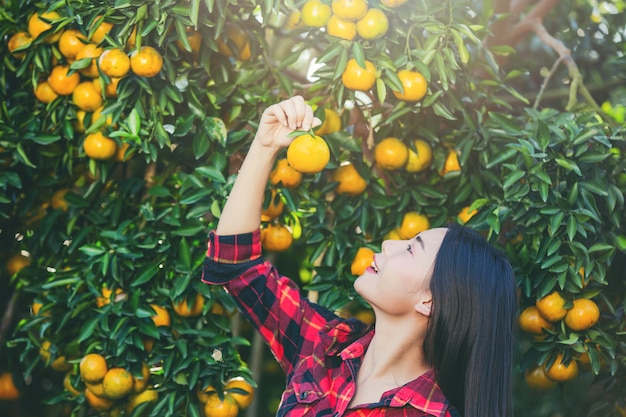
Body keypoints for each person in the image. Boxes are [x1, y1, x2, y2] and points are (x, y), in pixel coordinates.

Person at [202, 96, 518, 417]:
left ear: (430, 301)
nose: (387, 245)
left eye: (410, 248)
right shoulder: (326, 347)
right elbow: (237, 267)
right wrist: (264, 146)